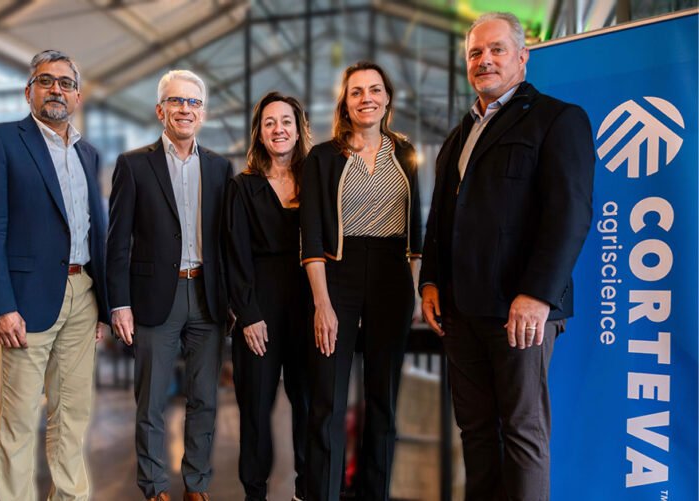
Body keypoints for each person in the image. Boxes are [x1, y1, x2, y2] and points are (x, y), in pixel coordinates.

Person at [419, 12, 595, 501]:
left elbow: (570, 213)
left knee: (521, 431)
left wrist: (537, 294)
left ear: (522, 56)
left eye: (496, 49)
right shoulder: (460, 134)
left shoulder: (556, 119)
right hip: (461, 311)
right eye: (475, 53)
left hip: (519, 310)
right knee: (476, 431)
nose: (485, 60)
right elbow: (442, 218)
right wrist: (430, 281)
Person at [0, 49, 109, 500]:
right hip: (24, 300)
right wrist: (1, 307)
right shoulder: (0, 141)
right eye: (46, 81)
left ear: (78, 96)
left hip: (83, 293)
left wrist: (103, 305)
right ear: (28, 91)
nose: (56, 90)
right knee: (19, 418)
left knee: (72, 414)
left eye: (66, 83)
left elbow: (94, 229)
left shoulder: (87, 153)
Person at [107, 69, 233, 501]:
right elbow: (117, 241)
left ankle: (196, 484)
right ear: (160, 110)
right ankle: (154, 485)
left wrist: (233, 299)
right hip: (154, 297)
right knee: (152, 401)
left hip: (207, 296)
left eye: (193, 102)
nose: (185, 109)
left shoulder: (219, 168)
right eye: (176, 101)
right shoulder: (133, 165)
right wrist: (119, 304)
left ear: (203, 113)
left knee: (205, 399)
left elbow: (227, 240)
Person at [300, 61, 422, 501]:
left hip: (392, 277)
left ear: (387, 98)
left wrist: (415, 290)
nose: (366, 98)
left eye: (374, 89)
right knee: (328, 400)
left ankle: (374, 493)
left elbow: (416, 231)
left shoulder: (405, 153)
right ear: (345, 103)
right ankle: (325, 493)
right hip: (337, 275)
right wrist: (322, 303)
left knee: (382, 400)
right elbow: (312, 235)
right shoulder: (323, 157)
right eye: (356, 91)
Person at [224, 91, 312, 501]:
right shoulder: (242, 187)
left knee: (309, 404)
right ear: (259, 132)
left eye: (286, 121)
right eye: (270, 122)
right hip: (259, 308)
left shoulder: (317, 180)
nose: (279, 129)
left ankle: (306, 490)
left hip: (310, 307)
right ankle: (255, 493)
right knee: (256, 408)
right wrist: (248, 315)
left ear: (299, 129)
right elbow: (234, 254)